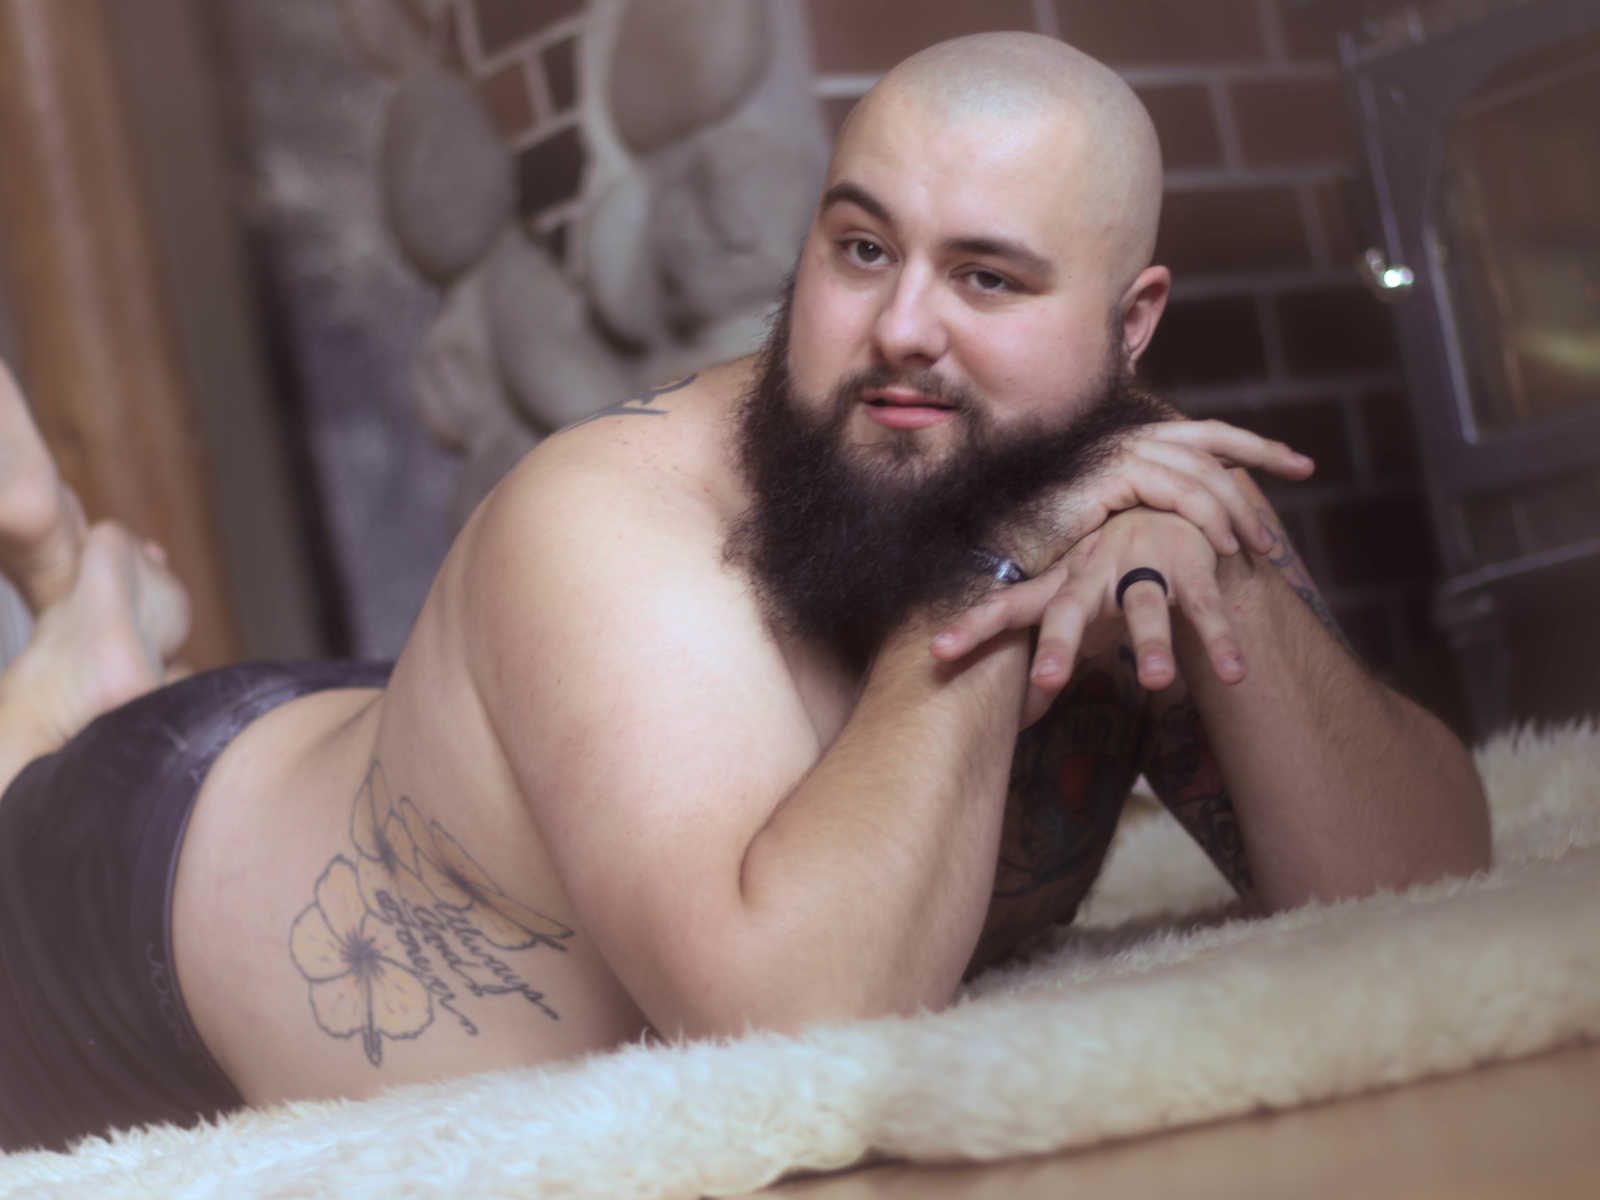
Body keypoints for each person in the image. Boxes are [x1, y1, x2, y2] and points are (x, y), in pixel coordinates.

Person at [0, 31, 1490, 1153]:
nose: (904, 327)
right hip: (136, 886)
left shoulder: (1122, 480)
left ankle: (91, 640)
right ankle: (68, 635)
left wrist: (1228, 579)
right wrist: (993, 566)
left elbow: (1417, 882)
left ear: (1130, 323)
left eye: (987, 280)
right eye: (860, 249)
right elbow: (795, 1037)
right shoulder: (611, 522)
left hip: (416, 759)